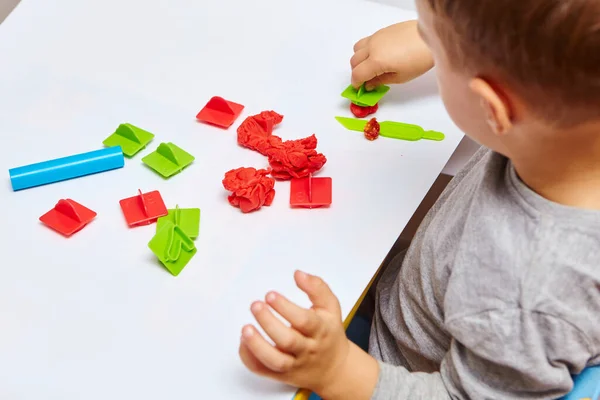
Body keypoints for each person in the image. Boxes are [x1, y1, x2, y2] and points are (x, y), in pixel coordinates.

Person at [238, 0, 600, 398]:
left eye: (437, 46)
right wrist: (444, 41)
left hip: (393, 370)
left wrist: (337, 370)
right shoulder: (569, 135)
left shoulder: (524, 295)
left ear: (493, 107)